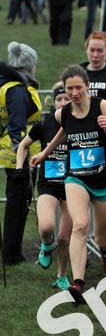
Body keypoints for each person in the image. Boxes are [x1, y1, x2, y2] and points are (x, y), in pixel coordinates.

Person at [30, 65, 106, 303]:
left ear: (87, 86)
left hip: (104, 180)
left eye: (77, 87)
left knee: (102, 236)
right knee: (80, 225)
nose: (73, 93)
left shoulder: (102, 107)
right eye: (68, 88)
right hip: (77, 178)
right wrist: (44, 154)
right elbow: (64, 130)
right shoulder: (63, 112)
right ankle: (78, 282)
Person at [15, 84, 72, 288]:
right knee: (46, 227)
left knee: (65, 237)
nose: (64, 103)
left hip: (73, 185)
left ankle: (62, 275)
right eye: (60, 100)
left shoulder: (79, 124)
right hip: (48, 184)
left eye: (67, 99)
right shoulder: (44, 124)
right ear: (53, 102)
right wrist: (19, 169)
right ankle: (47, 244)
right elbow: (22, 146)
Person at [1, 42, 42, 265]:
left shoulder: (11, 85)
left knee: (18, 202)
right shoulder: (16, 88)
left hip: (17, 152)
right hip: (19, 155)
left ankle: (13, 251)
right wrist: (21, 158)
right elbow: (17, 125)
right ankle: (11, 253)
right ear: (29, 65)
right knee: (17, 203)